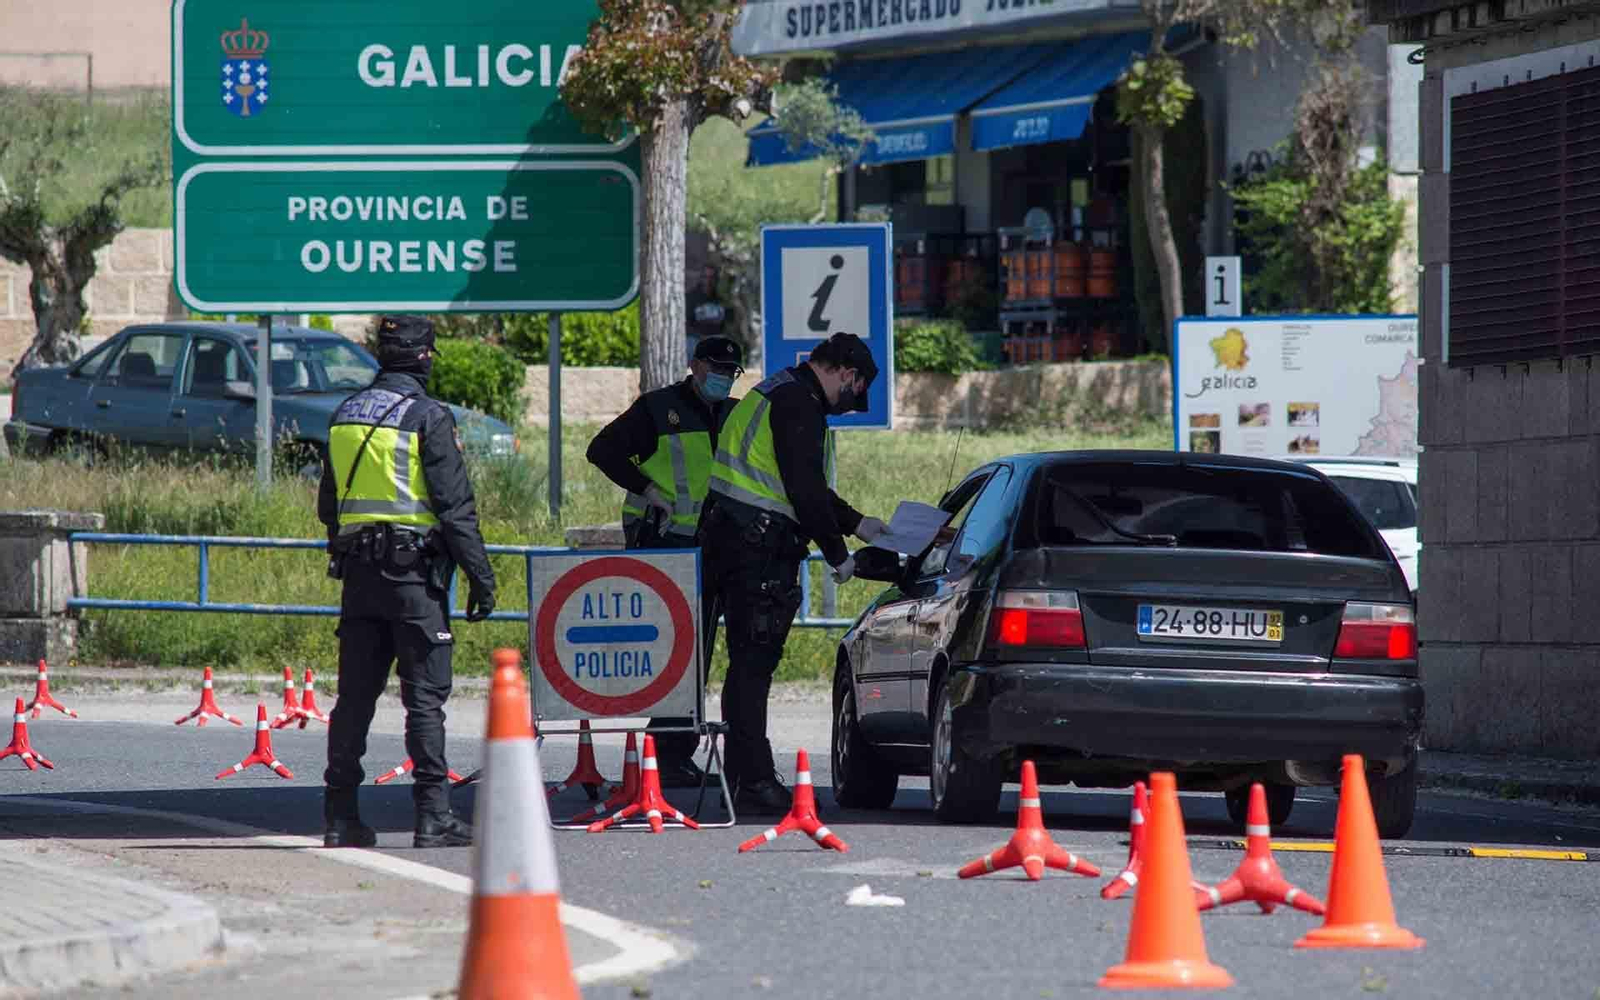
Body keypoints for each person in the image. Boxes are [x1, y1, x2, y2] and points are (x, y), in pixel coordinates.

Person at [318, 315, 497, 849]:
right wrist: (481, 578)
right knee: (424, 699)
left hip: (358, 576)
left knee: (354, 701)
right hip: (413, 579)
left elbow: (329, 506)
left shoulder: (345, 414)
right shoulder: (427, 416)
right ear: (424, 358)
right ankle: (433, 815)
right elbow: (455, 509)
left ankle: (340, 817)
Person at [699, 332, 888, 813]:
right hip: (759, 549)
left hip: (728, 537)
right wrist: (839, 556)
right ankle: (755, 782)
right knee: (753, 666)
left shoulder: (774, 391)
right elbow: (803, 488)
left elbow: (800, 483)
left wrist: (858, 523)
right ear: (847, 374)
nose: (848, 404)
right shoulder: (801, 405)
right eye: (855, 391)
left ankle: (742, 776)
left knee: (742, 667)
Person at [585, 336, 744, 787]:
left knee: (697, 650)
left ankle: (672, 752)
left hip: (716, 546)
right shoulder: (659, 408)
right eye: (716, 368)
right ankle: (667, 755)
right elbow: (602, 450)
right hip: (665, 543)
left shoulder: (735, 414)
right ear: (695, 365)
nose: (723, 378)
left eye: (731, 372)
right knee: (677, 650)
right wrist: (649, 490)